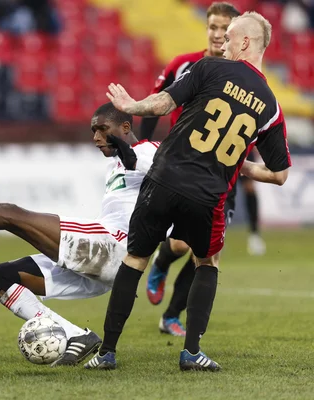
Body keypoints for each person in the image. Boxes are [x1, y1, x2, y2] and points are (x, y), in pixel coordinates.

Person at [85, 12, 291, 372]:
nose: (222, 43)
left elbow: (163, 103)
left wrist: (131, 106)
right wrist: (236, 161)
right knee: (206, 263)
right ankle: (192, 352)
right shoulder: (271, 107)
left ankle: (107, 353)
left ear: (245, 42)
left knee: (135, 259)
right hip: (208, 197)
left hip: (163, 179)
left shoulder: (209, 68)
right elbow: (279, 175)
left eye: (229, 37)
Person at [0, 103, 165, 367]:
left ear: (125, 126)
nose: (95, 138)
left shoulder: (151, 152)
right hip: (101, 262)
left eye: (102, 129)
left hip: (113, 246)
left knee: (11, 215)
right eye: (93, 131)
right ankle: (75, 335)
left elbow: (171, 179)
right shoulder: (114, 167)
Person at [142, 2, 265, 336]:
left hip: (223, 175)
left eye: (224, 29)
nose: (216, 34)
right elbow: (155, 105)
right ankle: (162, 262)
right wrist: (142, 149)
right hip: (182, 170)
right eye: (212, 27)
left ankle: (171, 316)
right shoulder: (186, 64)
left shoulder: (249, 76)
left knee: (206, 254)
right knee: (181, 245)